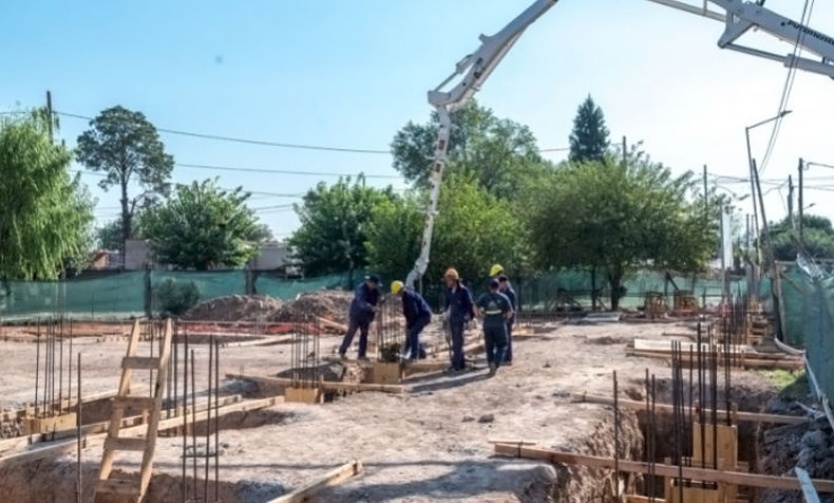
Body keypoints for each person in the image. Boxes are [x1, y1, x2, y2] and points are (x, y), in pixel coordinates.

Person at [475, 278, 513, 377]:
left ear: (489, 287)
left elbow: (475, 306)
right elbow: (510, 312)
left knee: (489, 347)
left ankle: (491, 363)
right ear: (498, 286)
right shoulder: (504, 297)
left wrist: (480, 315)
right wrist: (505, 318)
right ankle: (495, 363)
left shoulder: (484, 297)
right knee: (503, 345)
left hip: (487, 325)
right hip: (500, 325)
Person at [338, 275, 380, 360]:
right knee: (351, 332)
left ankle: (361, 355)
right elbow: (362, 303)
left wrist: (382, 300)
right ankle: (342, 350)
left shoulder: (375, 290)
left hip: (366, 316)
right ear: (370, 283)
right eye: (374, 285)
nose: (375, 287)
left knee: (364, 334)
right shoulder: (361, 289)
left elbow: (379, 297)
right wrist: (372, 308)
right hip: (356, 315)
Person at [443, 268, 475, 373]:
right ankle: (460, 363)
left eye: (449, 280)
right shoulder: (449, 291)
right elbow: (447, 304)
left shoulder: (463, 291)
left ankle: (456, 364)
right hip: (452, 319)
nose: (447, 282)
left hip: (460, 319)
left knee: (458, 341)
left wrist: (471, 318)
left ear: (454, 279)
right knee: (455, 341)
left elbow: (469, 304)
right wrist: (445, 313)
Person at [391, 280, 432, 361]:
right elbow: (409, 313)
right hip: (421, 316)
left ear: (399, 291)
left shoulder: (409, 297)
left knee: (413, 332)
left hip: (424, 316)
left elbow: (414, 313)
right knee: (411, 333)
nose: (397, 295)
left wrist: (409, 326)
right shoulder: (406, 296)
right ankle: (422, 353)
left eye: (397, 293)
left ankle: (414, 356)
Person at [497, 274, 517, 365]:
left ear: (504, 283)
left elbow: (511, 308)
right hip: (501, 318)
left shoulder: (510, 293)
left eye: (500, 283)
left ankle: (508, 357)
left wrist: (507, 316)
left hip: (508, 317)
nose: (499, 285)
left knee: (507, 337)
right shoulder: (500, 292)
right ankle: (503, 356)